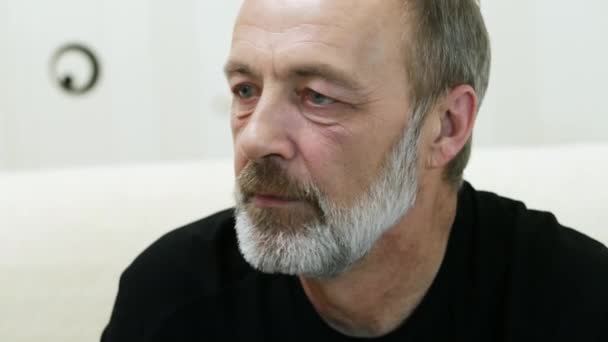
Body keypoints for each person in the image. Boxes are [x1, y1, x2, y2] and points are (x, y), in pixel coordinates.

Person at [101, 0, 608, 340]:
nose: (255, 137)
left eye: (318, 96)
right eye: (245, 90)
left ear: (446, 126)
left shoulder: (576, 302)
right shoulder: (172, 302)